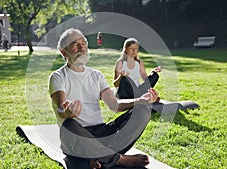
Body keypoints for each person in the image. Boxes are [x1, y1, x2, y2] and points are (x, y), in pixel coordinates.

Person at [49, 28, 159, 169]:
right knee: (69, 125)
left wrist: (140, 100)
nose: (82, 47)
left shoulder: (96, 75)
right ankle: (119, 159)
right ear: (64, 52)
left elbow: (114, 105)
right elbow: (60, 108)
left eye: (84, 42)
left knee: (143, 111)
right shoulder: (58, 77)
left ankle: (98, 157)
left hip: (102, 134)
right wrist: (67, 112)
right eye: (75, 44)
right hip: (77, 137)